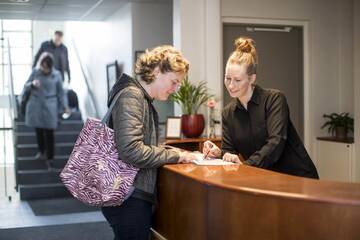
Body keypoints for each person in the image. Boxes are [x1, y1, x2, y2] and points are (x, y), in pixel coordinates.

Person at [101, 45, 197, 240]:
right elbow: (130, 150)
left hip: (126, 193)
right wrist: (178, 155)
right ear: (156, 72)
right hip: (128, 195)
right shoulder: (133, 96)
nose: (176, 89)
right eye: (174, 81)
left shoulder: (138, 97)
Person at [202, 37, 318, 179]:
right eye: (227, 78)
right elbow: (229, 152)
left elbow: (276, 142)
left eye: (237, 80)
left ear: (252, 79)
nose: (231, 85)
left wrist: (246, 166)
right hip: (264, 178)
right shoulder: (228, 113)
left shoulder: (274, 99)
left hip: (296, 177)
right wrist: (218, 153)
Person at [22, 52, 65, 170]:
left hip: (50, 106)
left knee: (49, 133)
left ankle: (50, 159)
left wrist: (65, 106)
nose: (44, 70)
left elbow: (61, 92)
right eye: (43, 67)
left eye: (47, 67)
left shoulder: (57, 75)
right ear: (40, 65)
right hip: (36, 106)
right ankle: (41, 151)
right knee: (39, 130)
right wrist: (32, 84)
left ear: (51, 67)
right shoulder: (35, 72)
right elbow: (25, 86)